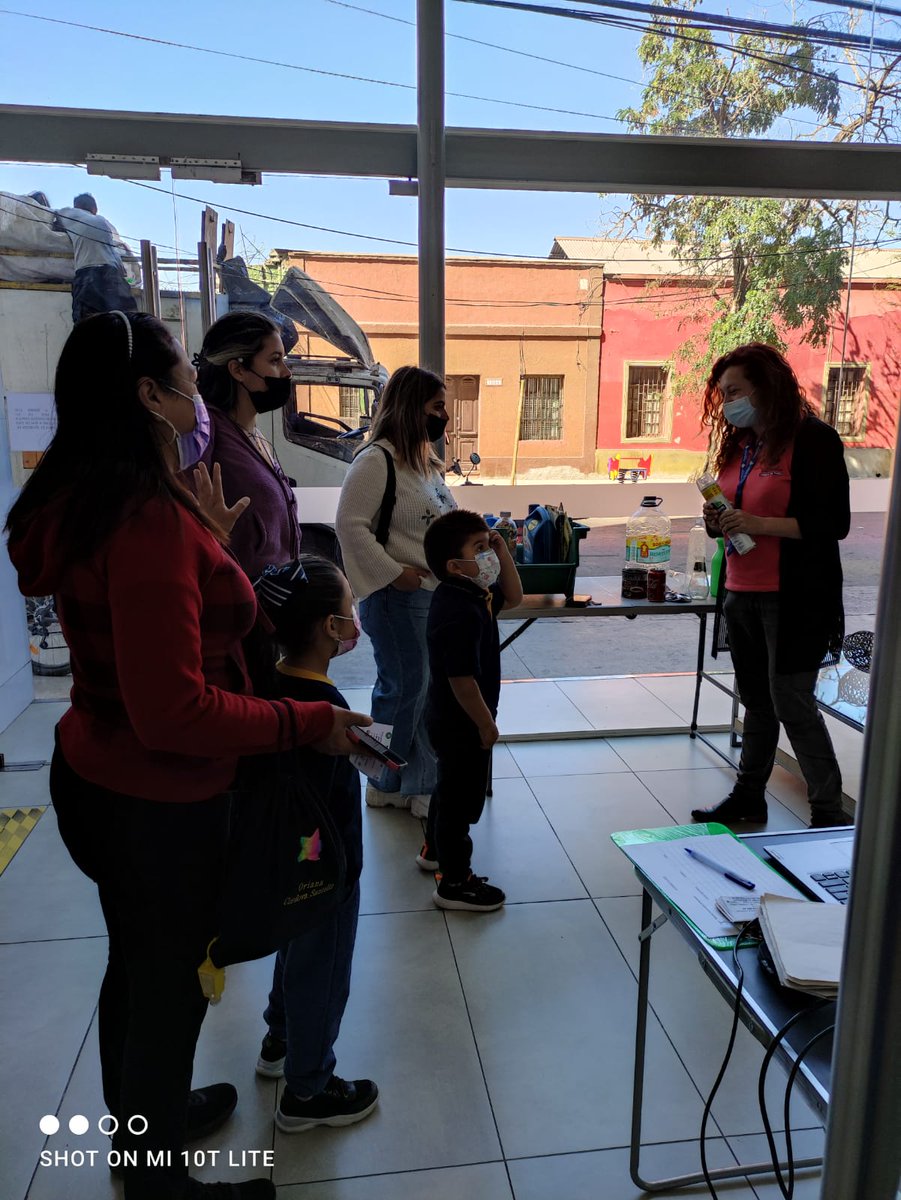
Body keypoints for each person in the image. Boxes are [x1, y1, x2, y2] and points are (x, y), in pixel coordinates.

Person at [5, 311, 370, 1200]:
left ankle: (146, 1130)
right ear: (146, 396)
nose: (191, 394)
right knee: (166, 988)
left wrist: (203, 539)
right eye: (179, 377)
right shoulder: (142, 518)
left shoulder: (89, 497)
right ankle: (157, 1180)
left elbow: (156, 635)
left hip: (95, 768)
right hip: (157, 798)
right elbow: (173, 710)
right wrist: (298, 724)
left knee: (133, 964)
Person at [690, 342, 851, 829]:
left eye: (735, 390)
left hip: (795, 595)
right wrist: (719, 520)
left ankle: (828, 812)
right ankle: (748, 798)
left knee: (791, 701)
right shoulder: (740, 443)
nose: (729, 402)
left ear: (767, 385)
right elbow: (736, 517)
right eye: (724, 394)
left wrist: (759, 523)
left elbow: (832, 523)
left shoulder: (813, 439)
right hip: (740, 589)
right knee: (756, 701)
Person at [251, 556, 378, 1131]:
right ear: (331, 628)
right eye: (349, 611)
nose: (355, 623)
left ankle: (278, 1039)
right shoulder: (323, 710)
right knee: (322, 968)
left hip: (280, 864)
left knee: (292, 947)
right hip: (325, 868)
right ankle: (308, 1089)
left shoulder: (267, 692)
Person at [335, 366, 457, 817]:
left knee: (417, 690)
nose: (444, 416)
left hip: (429, 595)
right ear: (410, 409)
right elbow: (349, 526)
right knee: (402, 690)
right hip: (395, 597)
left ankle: (400, 781)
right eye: (437, 407)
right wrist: (393, 573)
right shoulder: (375, 461)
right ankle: (390, 779)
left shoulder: (425, 465)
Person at [419, 510, 523, 911]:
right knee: (461, 801)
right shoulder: (458, 610)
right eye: (479, 548)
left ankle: (434, 850)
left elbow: (513, 597)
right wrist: (486, 725)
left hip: (453, 717)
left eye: (489, 546)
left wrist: (501, 549)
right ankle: (455, 881)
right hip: (462, 720)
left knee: (448, 787)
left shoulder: (470, 593)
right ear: (453, 565)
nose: (489, 555)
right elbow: (461, 680)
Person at [195, 311, 301, 580]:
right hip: (241, 608)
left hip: (273, 606)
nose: (286, 373)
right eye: (275, 360)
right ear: (238, 369)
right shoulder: (208, 435)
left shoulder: (254, 434)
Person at [52, 193, 137, 323]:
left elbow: (52, 221)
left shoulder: (68, 213)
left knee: (86, 323)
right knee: (122, 321)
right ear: (95, 209)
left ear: (77, 206)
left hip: (89, 274)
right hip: (113, 275)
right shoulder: (103, 222)